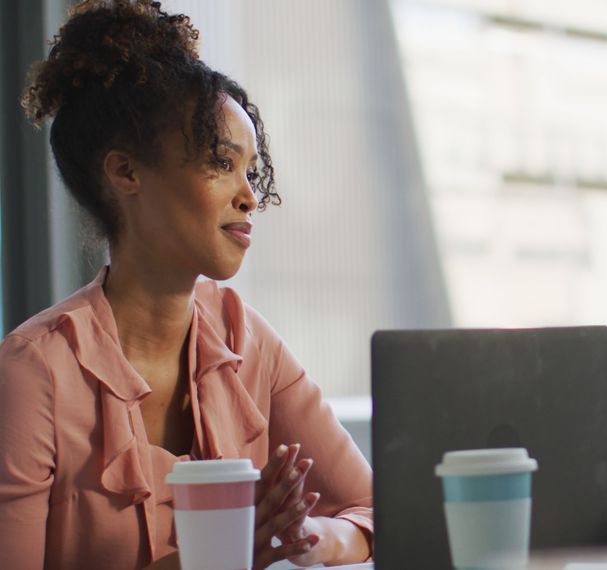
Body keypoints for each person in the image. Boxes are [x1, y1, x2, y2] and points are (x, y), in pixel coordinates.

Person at [0, 2, 373, 568]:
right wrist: (220, 555)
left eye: (251, 169)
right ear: (127, 173)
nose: (249, 195)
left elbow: (373, 507)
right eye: (221, 163)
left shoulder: (247, 340)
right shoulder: (33, 374)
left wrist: (310, 537)